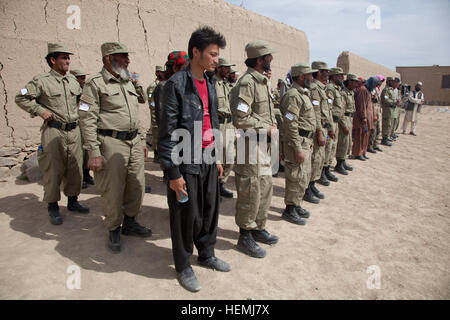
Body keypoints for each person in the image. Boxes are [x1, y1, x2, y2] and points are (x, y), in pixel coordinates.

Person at [158, 26, 231, 293]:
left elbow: (213, 122)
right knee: (185, 215)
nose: (216, 59)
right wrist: (174, 173)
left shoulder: (210, 83)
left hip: (209, 157)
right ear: (196, 52)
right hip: (185, 159)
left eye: (217, 55)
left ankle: (207, 253)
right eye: (212, 54)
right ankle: (183, 265)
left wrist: (218, 155)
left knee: (210, 210)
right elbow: (166, 134)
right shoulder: (175, 85)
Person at [78, 42, 152, 253]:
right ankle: (113, 229)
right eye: (123, 57)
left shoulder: (128, 80)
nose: (128, 60)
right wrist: (93, 152)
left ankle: (130, 222)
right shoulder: (94, 83)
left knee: (137, 184)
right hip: (111, 143)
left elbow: (140, 104)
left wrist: (140, 140)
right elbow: (87, 118)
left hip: (133, 142)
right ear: (109, 59)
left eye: (127, 57)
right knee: (113, 189)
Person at [15, 42, 89, 225]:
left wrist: (87, 112)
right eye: (64, 57)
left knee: (75, 169)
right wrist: (40, 111)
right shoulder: (40, 81)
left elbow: (83, 101)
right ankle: (53, 206)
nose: (68, 61)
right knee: (53, 170)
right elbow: (20, 97)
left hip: (74, 131)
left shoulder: (73, 81)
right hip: (54, 131)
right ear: (52, 60)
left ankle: (73, 201)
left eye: (68, 58)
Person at [229, 40, 279, 259]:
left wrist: (272, 126)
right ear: (259, 60)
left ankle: (258, 227)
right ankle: (245, 235)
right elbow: (240, 118)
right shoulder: (247, 83)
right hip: (250, 146)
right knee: (251, 190)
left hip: (263, 146)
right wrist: (265, 127)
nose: (271, 60)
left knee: (265, 188)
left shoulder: (262, 82)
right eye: (268, 57)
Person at [280, 63, 317, 225]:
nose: (312, 78)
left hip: (306, 140)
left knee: (304, 175)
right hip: (298, 141)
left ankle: (297, 203)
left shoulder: (303, 93)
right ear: (301, 76)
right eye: (309, 75)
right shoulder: (293, 95)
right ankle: (290, 209)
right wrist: (297, 147)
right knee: (296, 176)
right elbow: (290, 123)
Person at [303, 61, 333, 204]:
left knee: (319, 158)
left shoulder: (321, 89)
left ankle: (312, 184)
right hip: (318, 129)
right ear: (319, 72)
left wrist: (330, 128)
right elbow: (316, 113)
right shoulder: (315, 88)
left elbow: (326, 111)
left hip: (324, 127)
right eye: (325, 71)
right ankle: (307, 187)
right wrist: (320, 131)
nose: (328, 74)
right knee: (315, 159)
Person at [214, 57, 236, 198]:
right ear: (219, 68)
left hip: (229, 124)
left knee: (230, 157)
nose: (229, 70)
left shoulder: (226, 85)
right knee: (216, 158)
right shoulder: (212, 83)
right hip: (218, 124)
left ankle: (221, 184)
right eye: (226, 67)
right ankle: (213, 188)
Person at [70, 69, 96, 189]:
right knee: (78, 152)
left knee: (86, 152)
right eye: (81, 78)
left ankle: (86, 174)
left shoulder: (86, 90)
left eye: (84, 77)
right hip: (75, 125)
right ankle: (78, 178)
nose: (83, 80)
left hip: (85, 123)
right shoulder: (70, 89)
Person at [336, 73, 359, 172]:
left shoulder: (351, 93)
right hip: (344, 119)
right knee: (343, 142)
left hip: (350, 118)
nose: (356, 84)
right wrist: (344, 124)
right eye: (355, 82)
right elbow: (341, 111)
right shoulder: (343, 93)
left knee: (348, 142)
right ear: (350, 81)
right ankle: (339, 163)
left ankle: (343, 160)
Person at [352, 76, 379, 160]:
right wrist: (363, 117)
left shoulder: (368, 91)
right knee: (360, 136)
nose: (375, 86)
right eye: (374, 84)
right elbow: (361, 105)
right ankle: (358, 153)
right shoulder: (363, 90)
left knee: (365, 136)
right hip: (362, 119)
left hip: (368, 119)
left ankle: (363, 152)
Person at [326, 67, 346, 175]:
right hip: (331, 122)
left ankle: (328, 168)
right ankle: (323, 171)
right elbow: (328, 108)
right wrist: (330, 126)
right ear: (334, 76)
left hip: (336, 122)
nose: (342, 78)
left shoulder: (337, 89)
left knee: (333, 146)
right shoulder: (330, 88)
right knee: (328, 145)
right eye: (340, 76)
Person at [146, 65, 165, 163]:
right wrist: (156, 108)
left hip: (162, 112)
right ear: (157, 73)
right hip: (155, 113)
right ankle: (156, 154)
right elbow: (151, 101)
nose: (163, 73)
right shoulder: (153, 86)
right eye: (161, 72)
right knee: (156, 135)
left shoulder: (165, 83)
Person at [367, 75, 384, 153]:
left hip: (377, 111)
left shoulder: (377, 90)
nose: (380, 83)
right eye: (380, 81)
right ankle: (370, 146)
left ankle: (375, 144)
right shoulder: (372, 90)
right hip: (373, 112)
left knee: (378, 129)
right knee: (373, 130)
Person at [381, 77, 399, 146]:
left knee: (390, 124)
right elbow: (385, 99)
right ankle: (384, 138)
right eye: (391, 81)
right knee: (386, 124)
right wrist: (394, 102)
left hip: (391, 109)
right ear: (388, 82)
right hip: (387, 109)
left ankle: (387, 136)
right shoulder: (386, 90)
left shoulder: (391, 90)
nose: (392, 83)